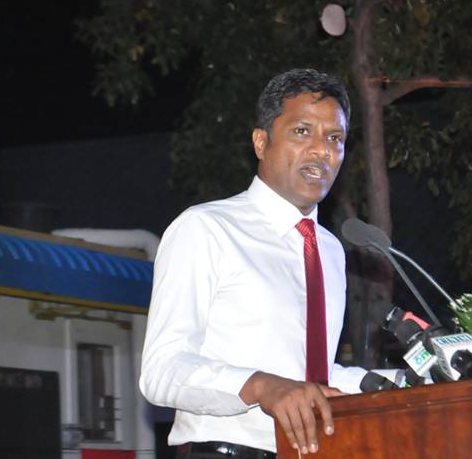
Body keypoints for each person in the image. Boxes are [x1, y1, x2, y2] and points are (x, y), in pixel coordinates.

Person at [139, 68, 368, 458]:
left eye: (335, 138)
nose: (321, 150)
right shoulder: (207, 228)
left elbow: (312, 376)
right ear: (261, 142)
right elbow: (161, 371)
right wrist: (262, 386)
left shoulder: (329, 250)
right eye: (302, 131)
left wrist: (410, 381)